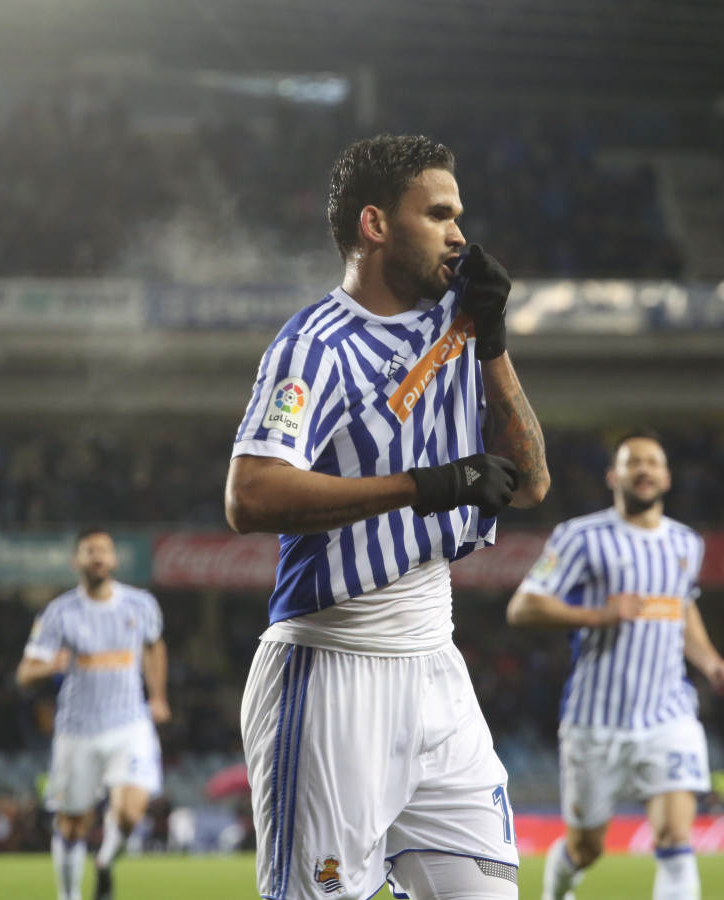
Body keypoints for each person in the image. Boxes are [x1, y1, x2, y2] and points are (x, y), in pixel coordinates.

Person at [226, 134, 550, 900]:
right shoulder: (314, 347)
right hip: (333, 668)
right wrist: (424, 485)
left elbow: (530, 482)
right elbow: (250, 495)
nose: (458, 234)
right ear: (375, 225)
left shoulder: (455, 325)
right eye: (437, 215)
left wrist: (493, 342)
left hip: (437, 665)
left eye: (458, 216)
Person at [506, 431, 724, 900]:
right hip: (596, 721)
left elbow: (682, 609)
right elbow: (523, 607)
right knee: (586, 848)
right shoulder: (580, 537)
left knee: (675, 839)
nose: (643, 470)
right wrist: (599, 614)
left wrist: (712, 663)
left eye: (652, 463)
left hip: (669, 715)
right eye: (632, 462)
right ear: (612, 476)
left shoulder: (686, 543)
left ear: (667, 477)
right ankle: (558, 887)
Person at [16, 528, 170, 900]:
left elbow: (154, 647)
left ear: (114, 559)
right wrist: (52, 664)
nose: (98, 556)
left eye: (104, 550)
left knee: (131, 813)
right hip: (77, 730)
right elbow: (24, 673)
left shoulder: (141, 605)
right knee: (72, 824)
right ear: (77, 561)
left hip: (129, 724)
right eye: (90, 551)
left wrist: (158, 696)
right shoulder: (58, 613)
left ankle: (104, 862)